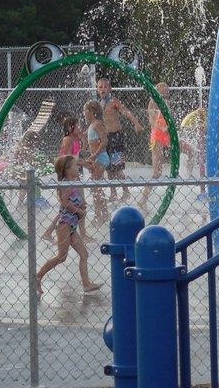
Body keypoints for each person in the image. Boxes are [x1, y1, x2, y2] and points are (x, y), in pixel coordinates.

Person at [35, 154, 100, 295]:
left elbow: (73, 199)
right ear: (67, 169)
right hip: (65, 225)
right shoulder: (66, 183)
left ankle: (86, 284)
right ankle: (38, 276)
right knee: (61, 257)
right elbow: (64, 202)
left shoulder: (74, 182)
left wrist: (82, 204)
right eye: (76, 166)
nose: (78, 167)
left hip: (72, 227)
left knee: (84, 254)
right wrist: (78, 210)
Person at [97, 76, 142, 201]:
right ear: (97, 89)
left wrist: (136, 123)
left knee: (117, 167)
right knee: (109, 168)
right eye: (100, 87)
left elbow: (126, 112)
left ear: (110, 88)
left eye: (105, 87)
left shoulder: (114, 101)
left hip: (116, 137)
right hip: (106, 139)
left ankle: (126, 191)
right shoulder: (99, 104)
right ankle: (113, 193)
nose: (103, 89)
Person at [82, 100, 110, 224]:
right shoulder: (91, 125)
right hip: (96, 157)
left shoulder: (98, 124)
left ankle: (102, 215)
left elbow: (104, 141)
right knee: (95, 188)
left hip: (101, 157)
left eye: (85, 110)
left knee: (95, 187)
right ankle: (102, 214)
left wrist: (94, 156)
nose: (83, 113)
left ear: (92, 111)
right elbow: (87, 141)